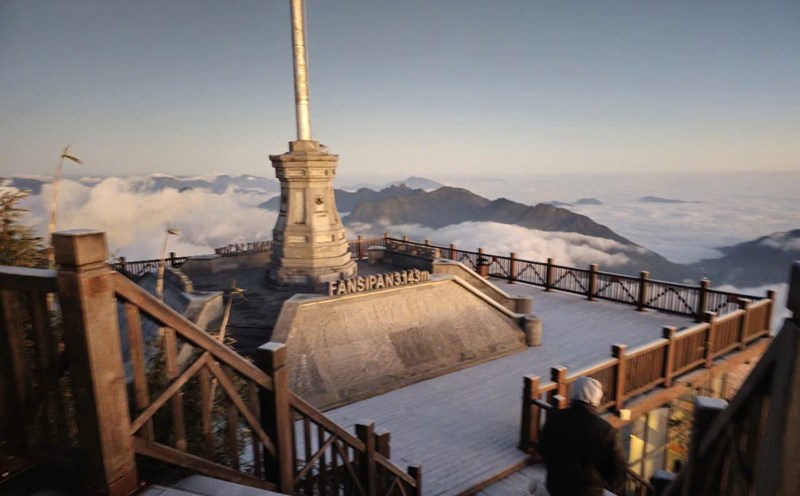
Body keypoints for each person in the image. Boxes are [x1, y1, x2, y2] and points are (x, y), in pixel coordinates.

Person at [539, 377, 627, 496]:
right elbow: (618, 470)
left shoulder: (555, 418)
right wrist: (601, 484)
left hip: (556, 485)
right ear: (596, 398)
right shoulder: (606, 431)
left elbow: (543, 448)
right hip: (589, 491)